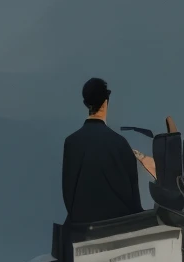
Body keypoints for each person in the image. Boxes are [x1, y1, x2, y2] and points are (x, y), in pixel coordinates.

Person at [61, 77, 142, 233]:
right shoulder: (120, 143)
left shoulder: (71, 143)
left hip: (82, 229)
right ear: (106, 102)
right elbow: (134, 200)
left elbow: (68, 193)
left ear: (86, 104)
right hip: (119, 228)